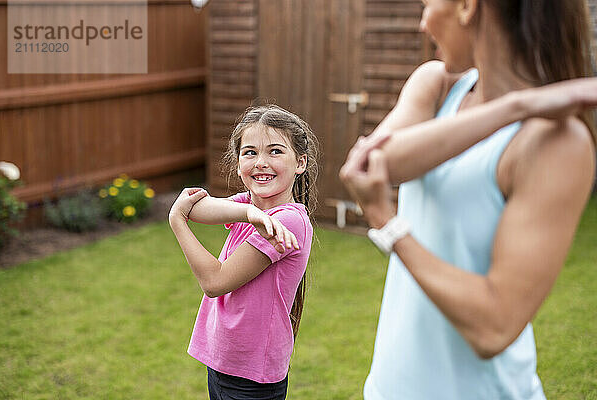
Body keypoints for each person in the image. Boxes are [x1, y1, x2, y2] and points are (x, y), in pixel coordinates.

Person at [340, 0, 597, 399]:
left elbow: (493, 326)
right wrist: (514, 106)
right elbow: (373, 162)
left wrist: (391, 229)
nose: (423, 22)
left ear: (466, 6)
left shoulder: (557, 143)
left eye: (427, 4)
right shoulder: (439, 84)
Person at [169, 104, 319, 400]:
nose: (260, 162)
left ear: (300, 162)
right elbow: (199, 205)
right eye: (250, 152)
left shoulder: (288, 221)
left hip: (249, 376)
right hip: (226, 361)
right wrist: (249, 213)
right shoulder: (250, 205)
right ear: (238, 165)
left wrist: (177, 222)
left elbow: (215, 282)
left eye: (275, 151)